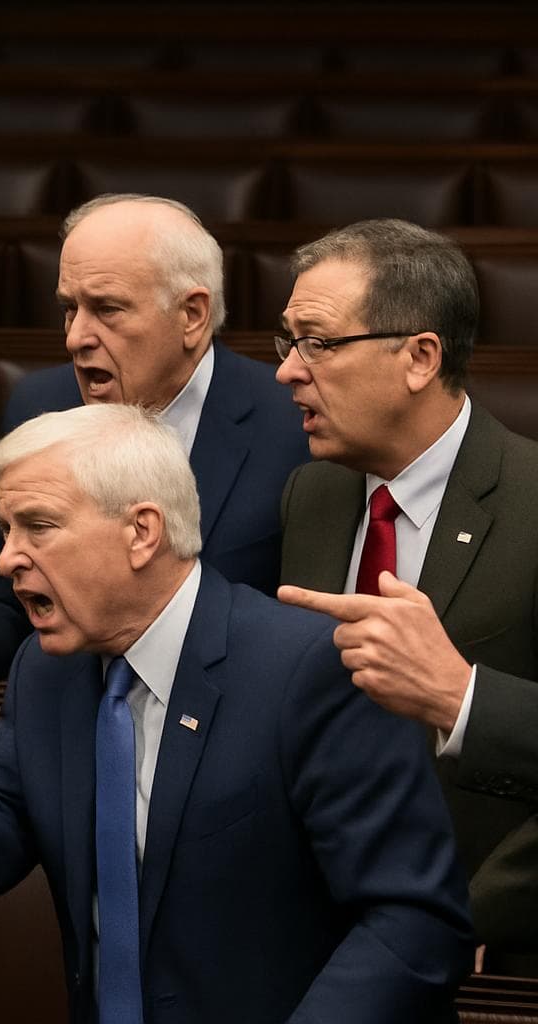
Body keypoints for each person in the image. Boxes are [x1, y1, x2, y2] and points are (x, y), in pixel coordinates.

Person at [0, 403, 472, 1023]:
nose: (6, 560)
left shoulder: (309, 672)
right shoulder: (44, 670)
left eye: (38, 526)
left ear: (142, 532)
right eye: (5, 529)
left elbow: (414, 922)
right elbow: (0, 799)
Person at [0, 194, 308, 695]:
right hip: (76, 725)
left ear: (192, 315)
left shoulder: (293, 422)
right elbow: (4, 592)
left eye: (107, 309)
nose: (75, 338)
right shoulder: (42, 404)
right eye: (70, 309)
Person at [272, 218, 538, 967]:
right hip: (312, 935)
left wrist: (462, 697)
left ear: (420, 357)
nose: (288, 371)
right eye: (286, 342)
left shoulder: (531, 499)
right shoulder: (311, 496)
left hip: (480, 948)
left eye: (318, 343)